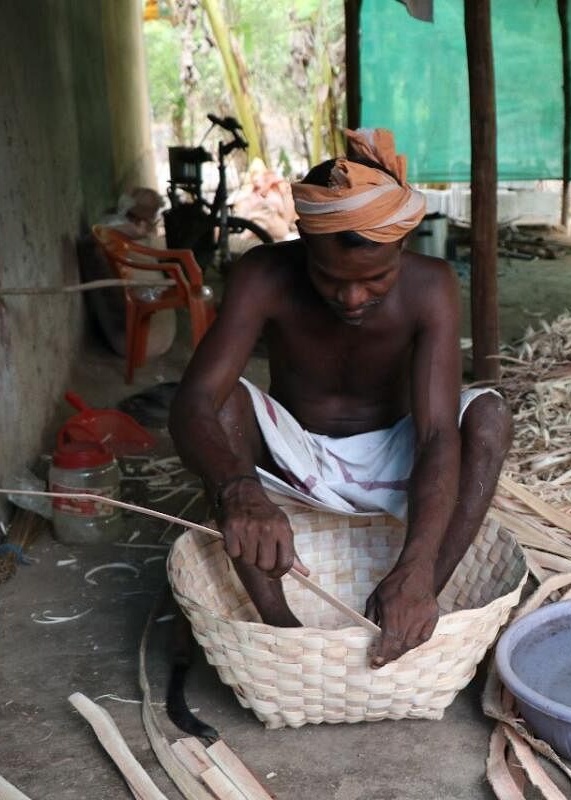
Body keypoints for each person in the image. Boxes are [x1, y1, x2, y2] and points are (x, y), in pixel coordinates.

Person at [169, 128, 513, 666]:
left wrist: (416, 565)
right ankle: (280, 625)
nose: (352, 297)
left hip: (397, 455)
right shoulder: (263, 275)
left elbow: (436, 434)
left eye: (376, 279)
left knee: (487, 417)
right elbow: (191, 403)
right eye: (329, 277)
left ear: (403, 246)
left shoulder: (431, 286)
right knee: (223, 402)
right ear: (304, 243)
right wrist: (236, 489)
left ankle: (418, 595)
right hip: (296, 453)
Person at [83, 187, 176, 358]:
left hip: (130, 342)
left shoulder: (105, 232)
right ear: (144, 217)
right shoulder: (125, 237)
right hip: (133, 342)